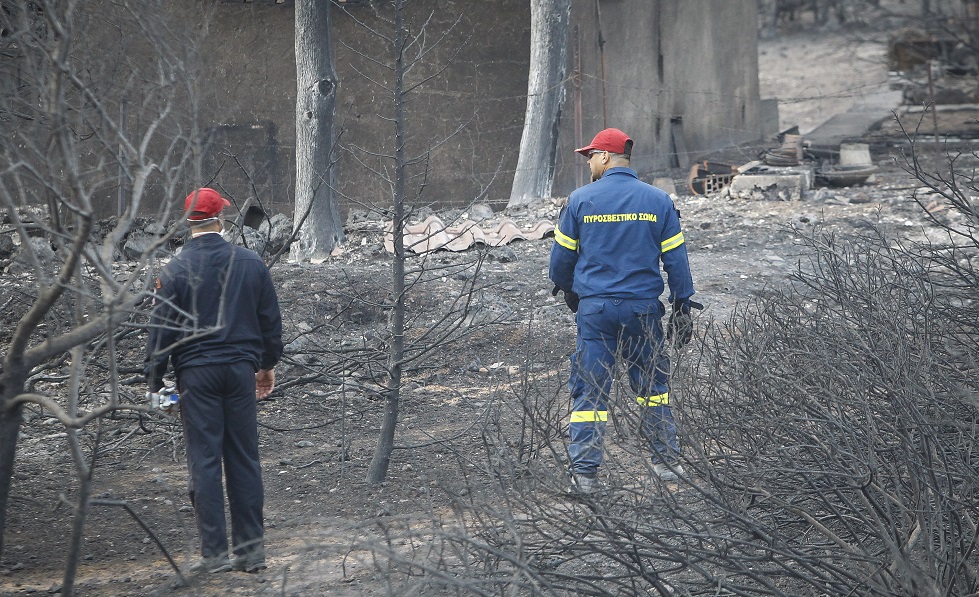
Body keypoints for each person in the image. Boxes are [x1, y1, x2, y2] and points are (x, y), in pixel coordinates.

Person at [549, 128, 698, 494]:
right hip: (643, 312)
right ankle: (666, 465)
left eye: (590, 157)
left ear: (604, 156)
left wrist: (571, 291)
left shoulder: (580, 200)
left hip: (595, 311)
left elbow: (559, 263)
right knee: (653, 389)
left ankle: (585, 474)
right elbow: (676, 261)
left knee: (590, 392)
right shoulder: (660, 201)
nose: (588, 164)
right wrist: (682, 305)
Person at [145, 187, 283, 573]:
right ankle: (252, 553)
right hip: (240, 371)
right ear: (220, 218)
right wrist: (266, 365)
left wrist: (155, 384)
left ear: (188, 222)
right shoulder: (250, 262)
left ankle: (215, 555)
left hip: (194, 375)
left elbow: (160, 332)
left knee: (204, 461)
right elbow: (270, 323)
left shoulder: (172, 271)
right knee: (243, 459)